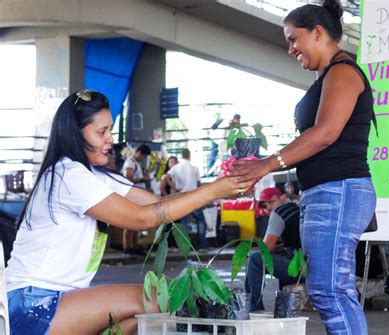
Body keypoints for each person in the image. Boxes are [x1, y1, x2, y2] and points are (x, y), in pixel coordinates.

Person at [5, 90, 254, 335]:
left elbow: (158, 203)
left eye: (109, 130)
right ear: (74, 135)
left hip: (62, 299)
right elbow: (142, 218)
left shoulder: (95, 175)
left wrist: (221, 188)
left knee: (146, 314)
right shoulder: (67, 175)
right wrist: (214, 191)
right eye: (101, 132)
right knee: (159, 299)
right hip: (32, 304)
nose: (110, 139)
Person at [230, 2, 377, 333]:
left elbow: (324, 134)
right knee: (329, 291)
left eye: (294, 39)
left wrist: (268, 164)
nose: (290, 48)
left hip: (339, 190)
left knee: (331, 291)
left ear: (318, 33)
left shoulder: (342, 72)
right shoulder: (328, 75)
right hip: (328, 191)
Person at [245, 187, 302, 311]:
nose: (269, 207)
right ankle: (286, 304)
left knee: (255, 259)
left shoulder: (280, 212)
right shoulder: (297, 207)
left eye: (271, 202)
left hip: (304, 269)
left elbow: (266, 249)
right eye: (265, 205)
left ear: (281, 198)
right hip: (322, 266)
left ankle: (254, 308)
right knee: (284, 254)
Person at [163, 148, 208, 250]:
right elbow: (199, 185)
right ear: (189, 155)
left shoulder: (176, 168)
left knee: (183, 223)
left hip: (182, 198)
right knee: (200, 221)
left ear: (181, 155)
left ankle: (184, 247)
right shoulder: (195, 168)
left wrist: (174, 187)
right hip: (194, 197)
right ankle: (203, 245)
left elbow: (165, 177)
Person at [121, 144, 152, 255]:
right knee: (130, 222)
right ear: (140, 153)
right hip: (131, 196)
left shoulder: (135, 163)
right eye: (144, 157)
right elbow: (128, 178)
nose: (143, 159)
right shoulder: (130, 162)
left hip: (136, 196)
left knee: (136, 222)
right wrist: (143, 179)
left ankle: (134, 245)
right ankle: (127, 246)